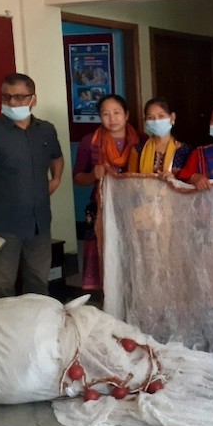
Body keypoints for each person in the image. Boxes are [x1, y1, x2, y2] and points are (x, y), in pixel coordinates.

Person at [0, 73, 63, 297]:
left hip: (39, 224)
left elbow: (56, 158)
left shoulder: (46, 130)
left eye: (19, 97)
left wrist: (56, 180)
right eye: (6, 97)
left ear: (33, 99)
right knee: (2, 284)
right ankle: (5, 332)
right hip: (1, 225)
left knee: (39, 282)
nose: (12, 103)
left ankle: (37, 330)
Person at [73, 94, 144, 290]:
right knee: (104, 252)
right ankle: (106, 296)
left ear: (127, 115)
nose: (112, 119)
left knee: (132, 251)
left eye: (116, 113)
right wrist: (93, 176)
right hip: (101, 206)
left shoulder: (142, 140)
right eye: (106, 114)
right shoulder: (90, 142)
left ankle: (132, 294)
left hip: (134, 206)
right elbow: (78, 177)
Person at [127, 97, 191, 177]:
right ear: (145, 121)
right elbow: (130, 181)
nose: (156, 121)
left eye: (161, 116)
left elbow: (190, 180)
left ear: (172, 117)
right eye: (150, 117)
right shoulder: (137, 150)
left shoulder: (185, 151)